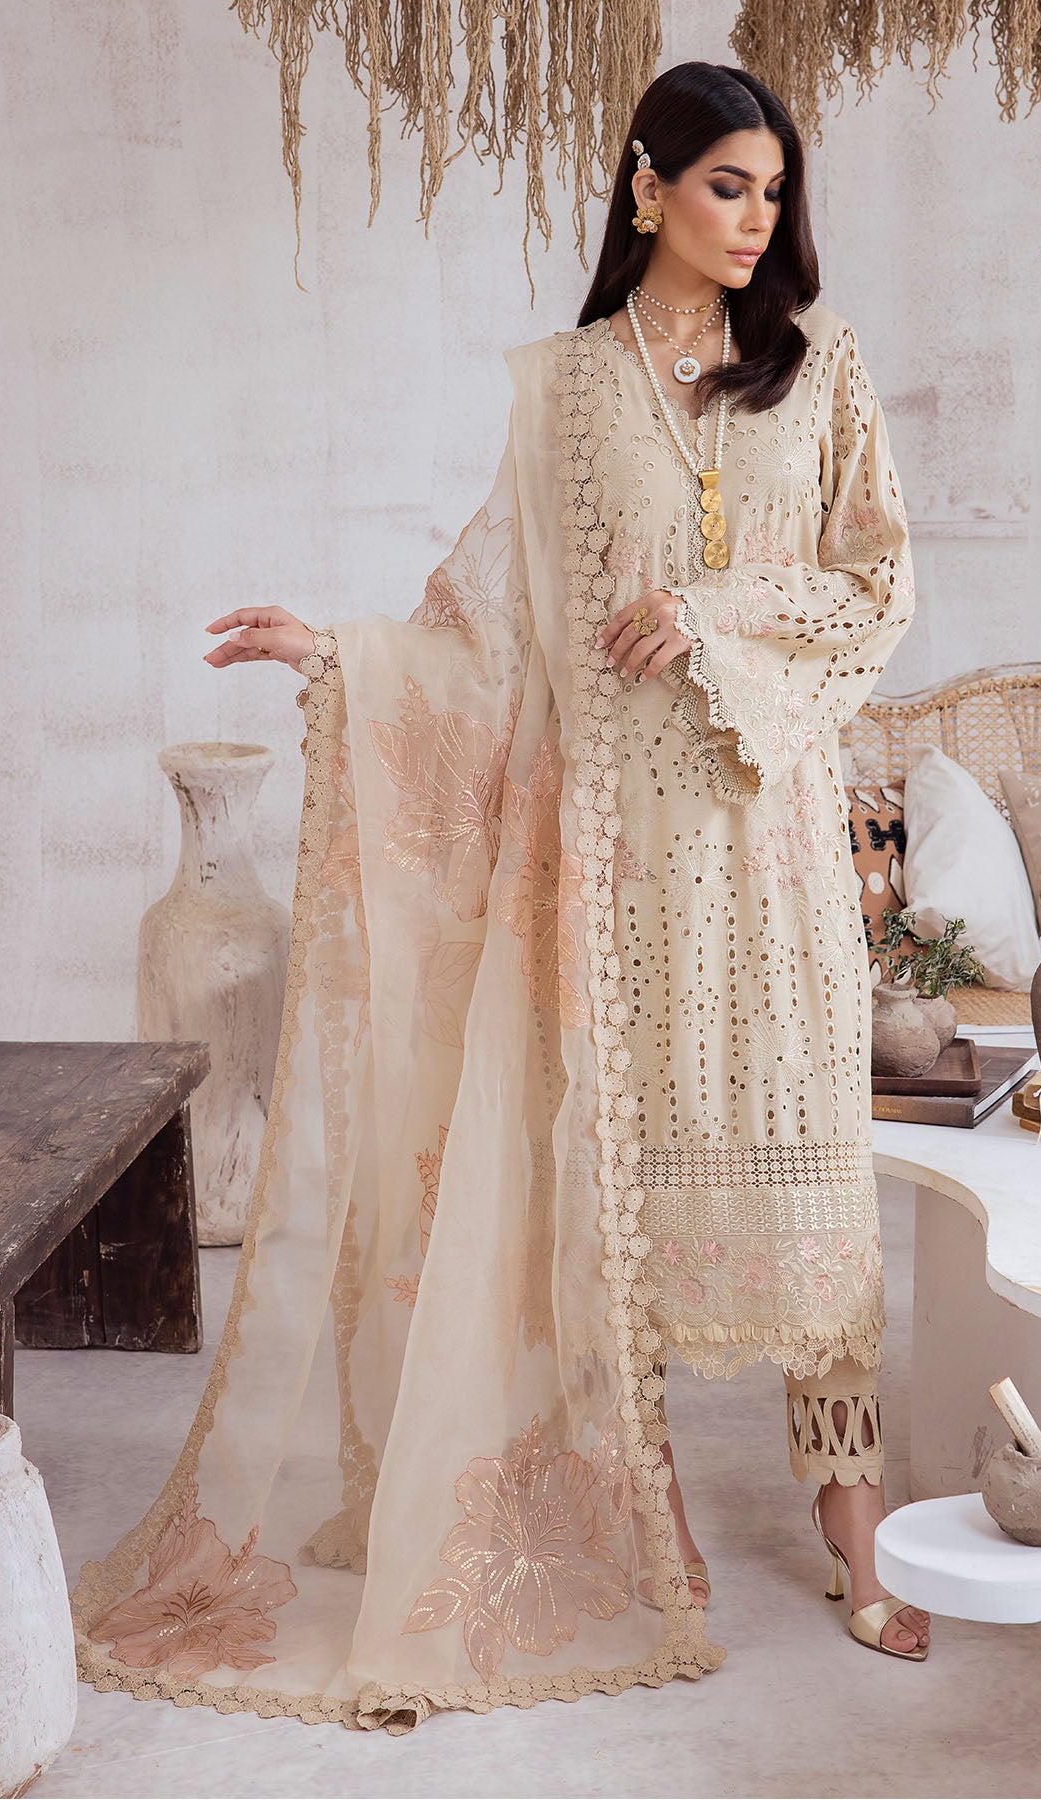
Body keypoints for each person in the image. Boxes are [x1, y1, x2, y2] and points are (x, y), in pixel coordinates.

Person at [70, 60, 927, 1737]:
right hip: (614, 868)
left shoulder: (820, 369)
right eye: (728, 185)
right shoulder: (566, 393)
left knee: (817, 1190)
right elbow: (486, 631)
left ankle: (854, 1521)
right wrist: (339, 655)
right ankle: (648, 1515)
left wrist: (714, 615)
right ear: (647, 188)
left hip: (770, 852)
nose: (756, 220)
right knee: (619, 1194)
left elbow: (877, 584)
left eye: (774, 192)